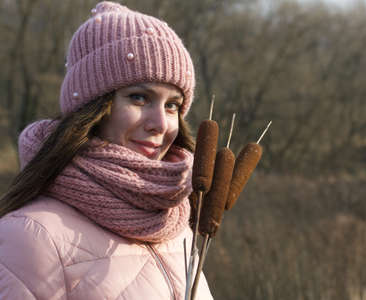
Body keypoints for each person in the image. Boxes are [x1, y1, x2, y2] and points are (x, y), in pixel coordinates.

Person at [0, 1, 213, 299]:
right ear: (94, 108)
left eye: (172, 105)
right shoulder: (29, 236)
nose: (160, 124)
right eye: (139, 98)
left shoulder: (177, 223)